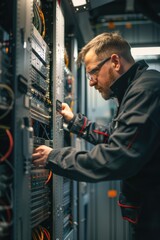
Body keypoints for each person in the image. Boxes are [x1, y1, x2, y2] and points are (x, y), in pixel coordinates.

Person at [32, 32, 160, 240]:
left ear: (115, 62)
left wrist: (53, 157)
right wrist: (74, 121)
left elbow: (117, 157)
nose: (91, 82)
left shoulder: (146, 91)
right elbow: (116, 136)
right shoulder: (138, 88)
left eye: (92, 72)